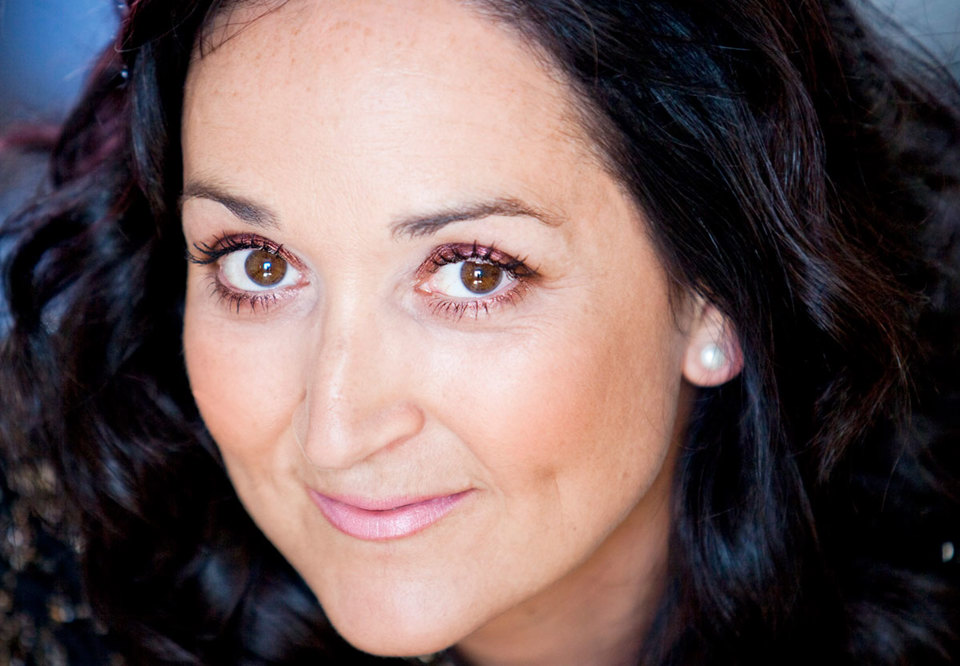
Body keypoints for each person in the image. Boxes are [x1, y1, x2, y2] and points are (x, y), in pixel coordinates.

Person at [1, 0, 959, 663]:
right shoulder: (62, 568)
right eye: (258, 265)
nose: (334, 429)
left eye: (472, 272)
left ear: (717, 290)